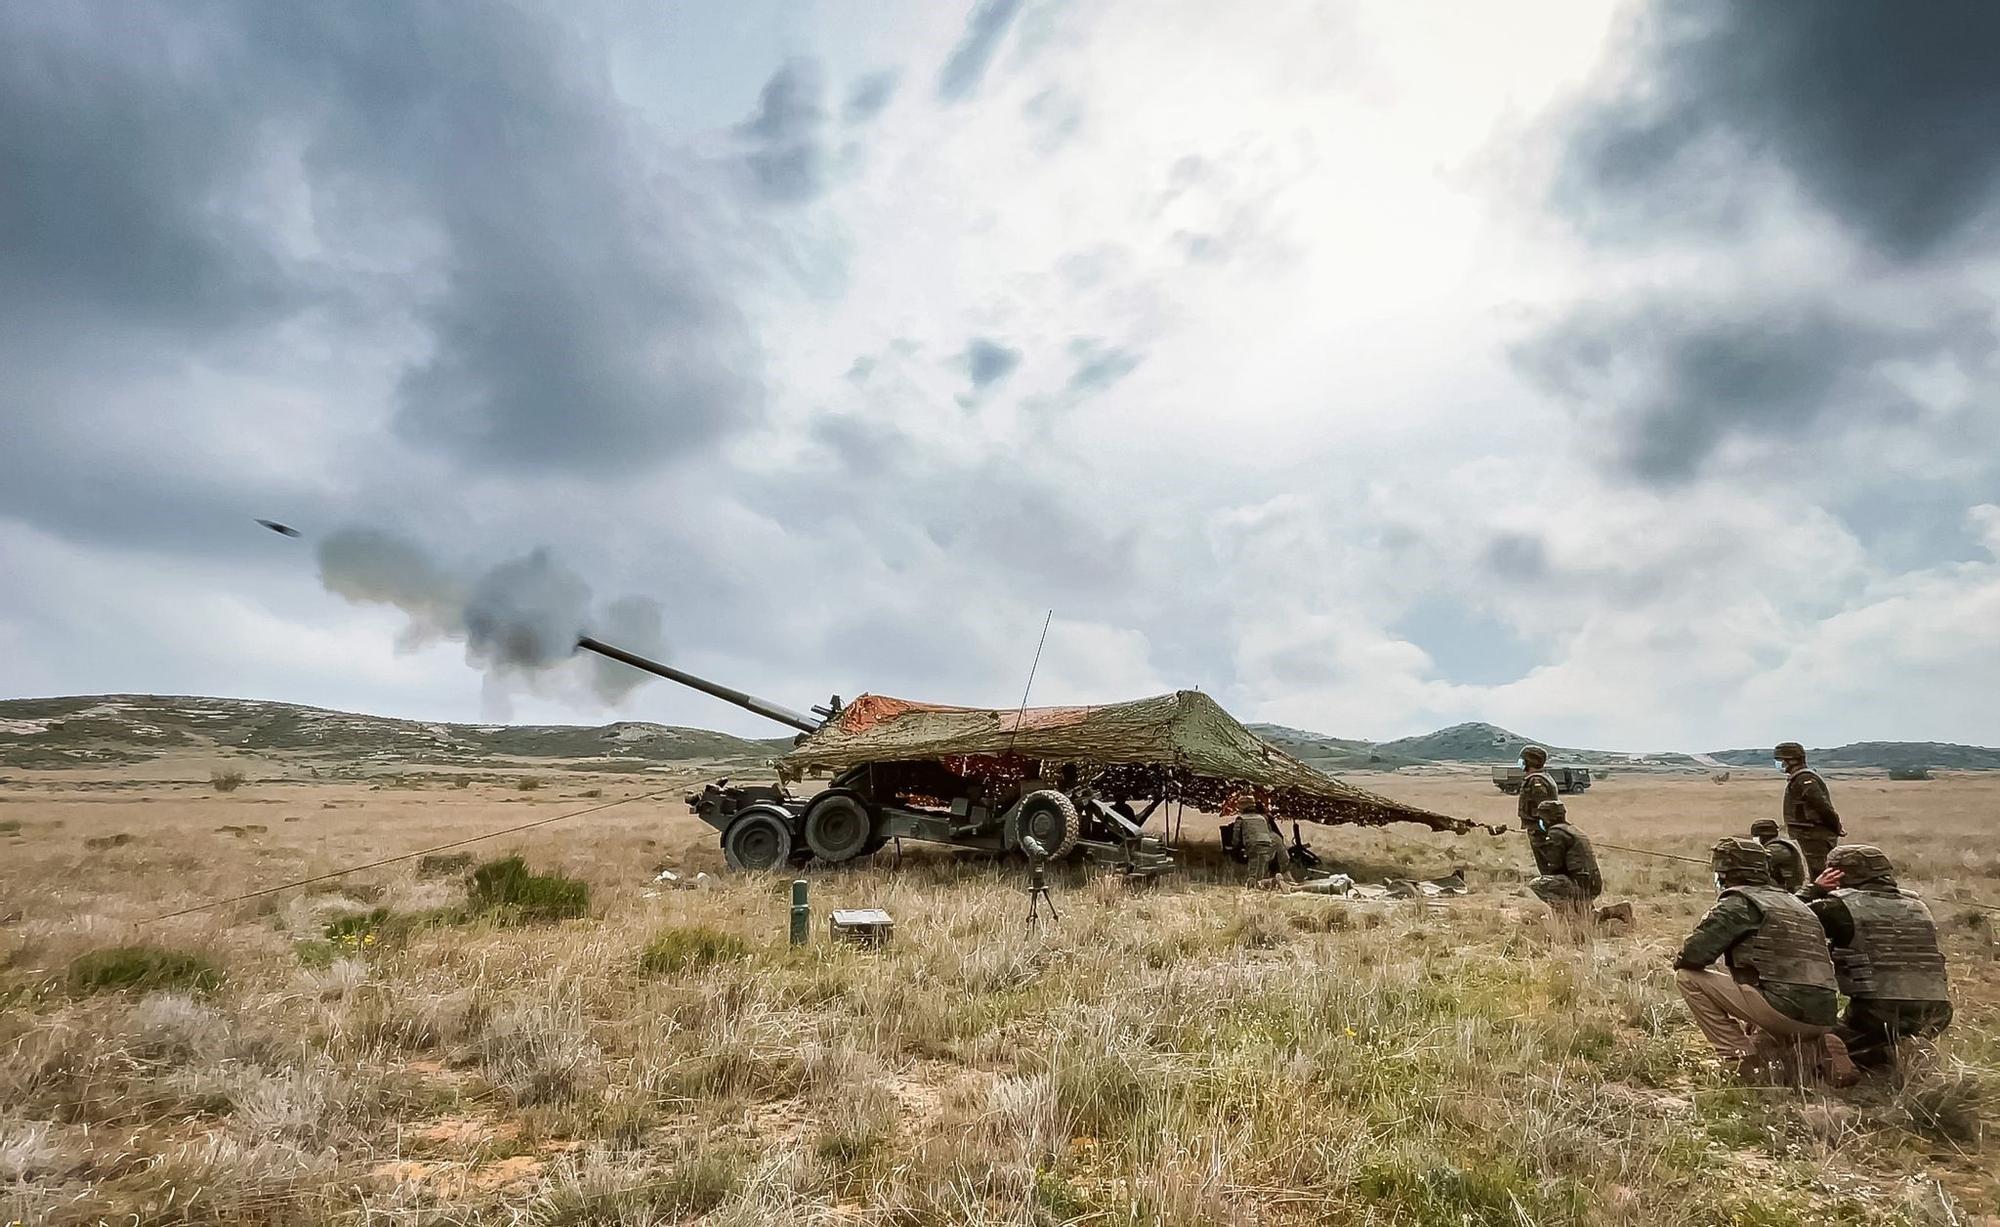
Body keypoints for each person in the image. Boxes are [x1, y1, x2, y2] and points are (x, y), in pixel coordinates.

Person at [1674, 837, 1849, 1081]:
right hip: (1825, 1014)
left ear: (1724, 873)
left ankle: (1738, 1059)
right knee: (1769, 1027)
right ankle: (1819, 1048)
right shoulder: (1795, 902)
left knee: (1687, 978)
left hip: (1782, 1011)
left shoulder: (1739, 902)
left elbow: (1692, 957)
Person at [1798, 844, 1952, 1069]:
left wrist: (1814, 889)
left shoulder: (1838, 908)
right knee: (1878, 1042)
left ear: (1835, 874)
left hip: (1876, 1012)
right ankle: (1904, 1049)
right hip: (1938, 1012)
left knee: (1806, 1042)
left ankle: (1840, 1058)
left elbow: (1783, 918)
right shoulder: (1919, 907)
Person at [1527, 800, 1601, 925]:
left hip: (1579, 884)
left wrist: (1539, 846)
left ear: (1547, 817)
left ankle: (1565, 917)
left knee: (1537, 884)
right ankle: (1609, 912)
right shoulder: (1572, 829)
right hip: (1592, 884)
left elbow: (1553, 867)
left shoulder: (1556, 833)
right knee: (1588, 914)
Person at [1775, 741, 1843, 878]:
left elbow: (1822, 806)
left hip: (1814, 835)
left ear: (1792, 760)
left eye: (1781, 760)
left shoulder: (1805, 779)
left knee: (1821, 875)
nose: (1780, 764)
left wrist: (1836, 826)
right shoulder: (1798, 778)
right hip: (1808, 834)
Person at [1228, 790, 1290, 884]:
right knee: (1262, 867)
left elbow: (1236, 839)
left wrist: (1234, 849)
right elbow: (1270, 833)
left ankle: (1258, 885)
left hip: (1253, 847)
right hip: (1268, 845)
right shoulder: (1262, 818)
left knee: (1254, 871)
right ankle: (1274, 881)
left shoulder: (1240, 819)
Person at [1516, 745, 1560, 873]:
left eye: (1523, 760)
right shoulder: (1544, 776)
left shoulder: (1536, 780)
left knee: (1546, 866)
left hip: (1540, 830)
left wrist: (1542, 825)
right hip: (1542, 829)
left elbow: (1544, 805)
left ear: (1529, 761)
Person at [1750, 818, 1809, 891]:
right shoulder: (1776, 844)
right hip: (1782, 887)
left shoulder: (1777, 848)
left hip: (1787, 889)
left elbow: (1754, 863)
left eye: (1756, 836)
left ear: (1762, 836)